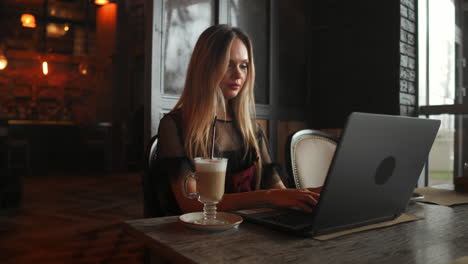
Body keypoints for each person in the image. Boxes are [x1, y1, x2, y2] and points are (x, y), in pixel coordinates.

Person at [154, 24, 320, 216]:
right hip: (197, 235)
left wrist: (313, 194)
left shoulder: (251, 129)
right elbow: (191, 204)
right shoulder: (174, 125)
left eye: (244, 65)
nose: (239, 74)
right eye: (228, 64)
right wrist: (267, 196)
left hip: (252, 232)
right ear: (206, 67)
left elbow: (279, 191)